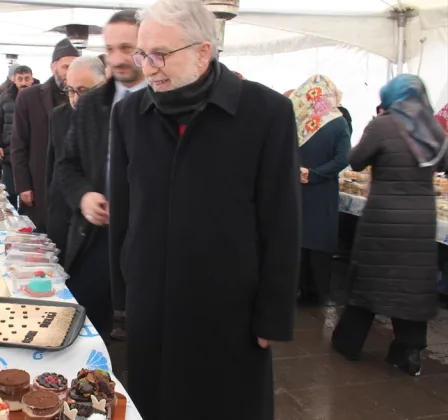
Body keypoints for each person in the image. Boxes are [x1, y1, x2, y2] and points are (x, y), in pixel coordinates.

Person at [109, 1, 300, 418]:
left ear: (203, 51)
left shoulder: (266, 113)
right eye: (143, 54)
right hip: (152, 303)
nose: (149, 66)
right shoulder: (129, 114)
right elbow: (123, 212)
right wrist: (123, 298)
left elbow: (281, 221)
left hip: (228, 307)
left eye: (160, 54)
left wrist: (273, 316)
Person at [332, 75, 447, 376]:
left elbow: (355, 160)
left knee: (368, 281)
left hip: (384, 217)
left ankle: (348, 344)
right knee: (412, 287)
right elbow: (443, 164)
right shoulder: (433, 128)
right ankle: (408, 354)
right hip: (420, 220)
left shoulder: (383, 124)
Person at [56, 9, 148, 342]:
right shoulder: (92, 105)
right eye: (111, 49)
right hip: (96, 236)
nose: (118, 58)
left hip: (149, 240)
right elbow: (67, 165)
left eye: (127, 47)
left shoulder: (168, 102)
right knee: (82, 325)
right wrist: (84, 196)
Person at [289, 75, 351, 306]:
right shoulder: (338, 122)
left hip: (296, 187)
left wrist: (298, 171)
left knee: (298, 237)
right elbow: (343, 158)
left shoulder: (297, 120)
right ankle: (316, 292)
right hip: (322, 189)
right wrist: (315, 174)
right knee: (319, 239)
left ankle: (295, 288)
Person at [47, 56, 107, 286]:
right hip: (62, 211)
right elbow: (53, 168)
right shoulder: (59, 117)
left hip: (95, 222)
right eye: (70, 90)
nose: (75, 98)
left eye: (83, 90)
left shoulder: (115, 118)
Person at [11, 39, 80, 232]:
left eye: (74, 66)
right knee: (38, 241)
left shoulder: (84, 96)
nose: (69, 71)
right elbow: (18, 144)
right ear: (53, 67)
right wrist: (23, 185)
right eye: (66, 66)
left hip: (70, 185)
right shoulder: (29, 97)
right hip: (38, 182)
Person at [0, 65, 34, 209]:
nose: (23, 82)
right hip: (9, 154)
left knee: (30, 195)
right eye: (20, 79)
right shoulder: (5, 97)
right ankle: (12, 223)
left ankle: (28, 225)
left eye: (27, 78)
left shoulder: (39, 97)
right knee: (9, 192)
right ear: (14, 80)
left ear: (32, 79)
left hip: (32, 155)